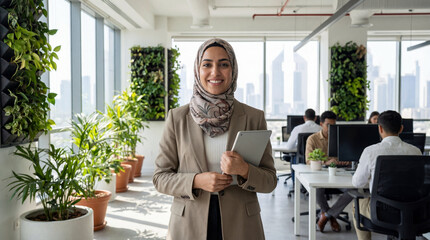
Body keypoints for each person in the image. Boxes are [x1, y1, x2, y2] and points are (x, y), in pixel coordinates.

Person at [153, 38, 277, 240]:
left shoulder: (254, 117)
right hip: (189, 223)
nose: (215, 72)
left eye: (224, 64)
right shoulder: (177, 118)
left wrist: (244, 170)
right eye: (207, 64)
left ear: (233, 69)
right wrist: (196, 180)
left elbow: (270, 180)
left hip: (241, 223)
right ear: (197, 69)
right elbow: (160, 178)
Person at [352, 110, 422, 240]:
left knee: (357, 203)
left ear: (379, 128)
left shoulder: (370, 151)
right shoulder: (416, 151)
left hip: (381, 213)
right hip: (411, 212)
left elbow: (357, 183)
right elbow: (419, 182)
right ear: (401, 128)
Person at [305, 110, 353, 233]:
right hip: (321, 174)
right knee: (317, 189)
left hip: (339, 174)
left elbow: (349, 155)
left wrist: (345, 161)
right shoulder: (312, 139)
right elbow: (309, 160)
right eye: (328, 125)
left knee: (353, 190)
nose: (331, 128)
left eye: (333, 125)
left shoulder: (340, 138)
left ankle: (326, 215)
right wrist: (325, 162)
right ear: (321, 124)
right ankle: (332, 218)